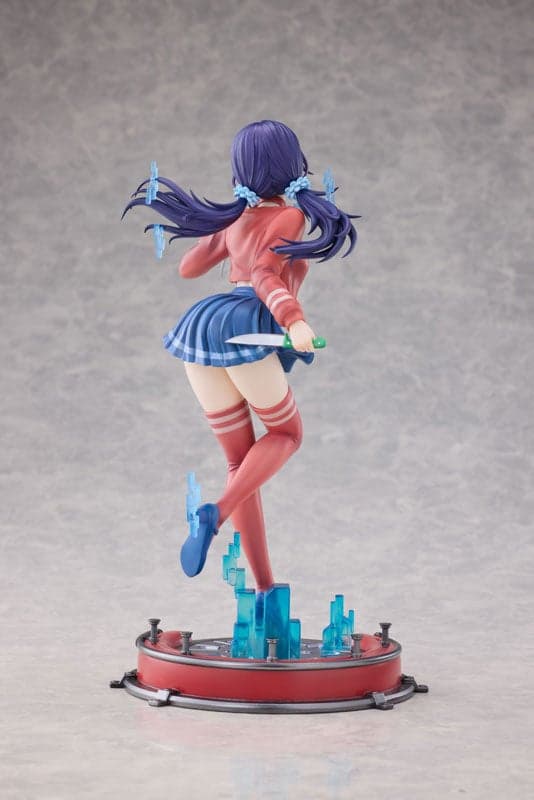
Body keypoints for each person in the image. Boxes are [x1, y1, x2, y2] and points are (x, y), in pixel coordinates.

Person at [124, 120, 358, 592]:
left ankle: (265, 586)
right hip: (246, 329)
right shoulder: (288, 217)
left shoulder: (236, 220)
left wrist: (224, 231)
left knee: (241, 468)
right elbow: (266, 275)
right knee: (287, 434)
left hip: (202, 328)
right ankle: (217, 513)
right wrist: (294, 320)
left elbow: (190, 268)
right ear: (292, 163)